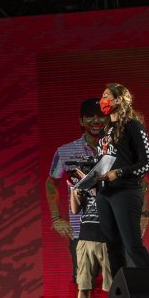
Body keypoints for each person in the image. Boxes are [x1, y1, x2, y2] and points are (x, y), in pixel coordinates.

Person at [94, 84, 149, 278]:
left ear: (119, 99)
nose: (102, 101)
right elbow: (102, 163)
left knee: (132, 245)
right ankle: (121, 289)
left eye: (106, 96)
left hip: (125, 192)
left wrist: (119, 173)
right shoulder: (104, 131)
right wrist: (89, 180)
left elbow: (148, 163)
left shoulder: (133, 125)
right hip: (104, 194)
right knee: (113, 248)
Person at [45, 99, 108, 286]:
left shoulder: (120, 149)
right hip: (81, 231)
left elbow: (141, 181)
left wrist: (143, 214)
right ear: (81, 120)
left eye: (100, 116)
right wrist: (56, 218)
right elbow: (51, 183)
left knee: (117, 283)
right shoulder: (65, 151)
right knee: (84, 285)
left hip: (114, 229)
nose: (95, 121)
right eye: (89, 116)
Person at [69, 178, 110, 298]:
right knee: (83, 284)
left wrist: (87, 182)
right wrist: (74, 188)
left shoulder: (108, 182)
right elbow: (75, 209)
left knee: (112, 285)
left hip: (106, 241)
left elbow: (103, 200)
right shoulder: (84, 187)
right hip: (85, 239)